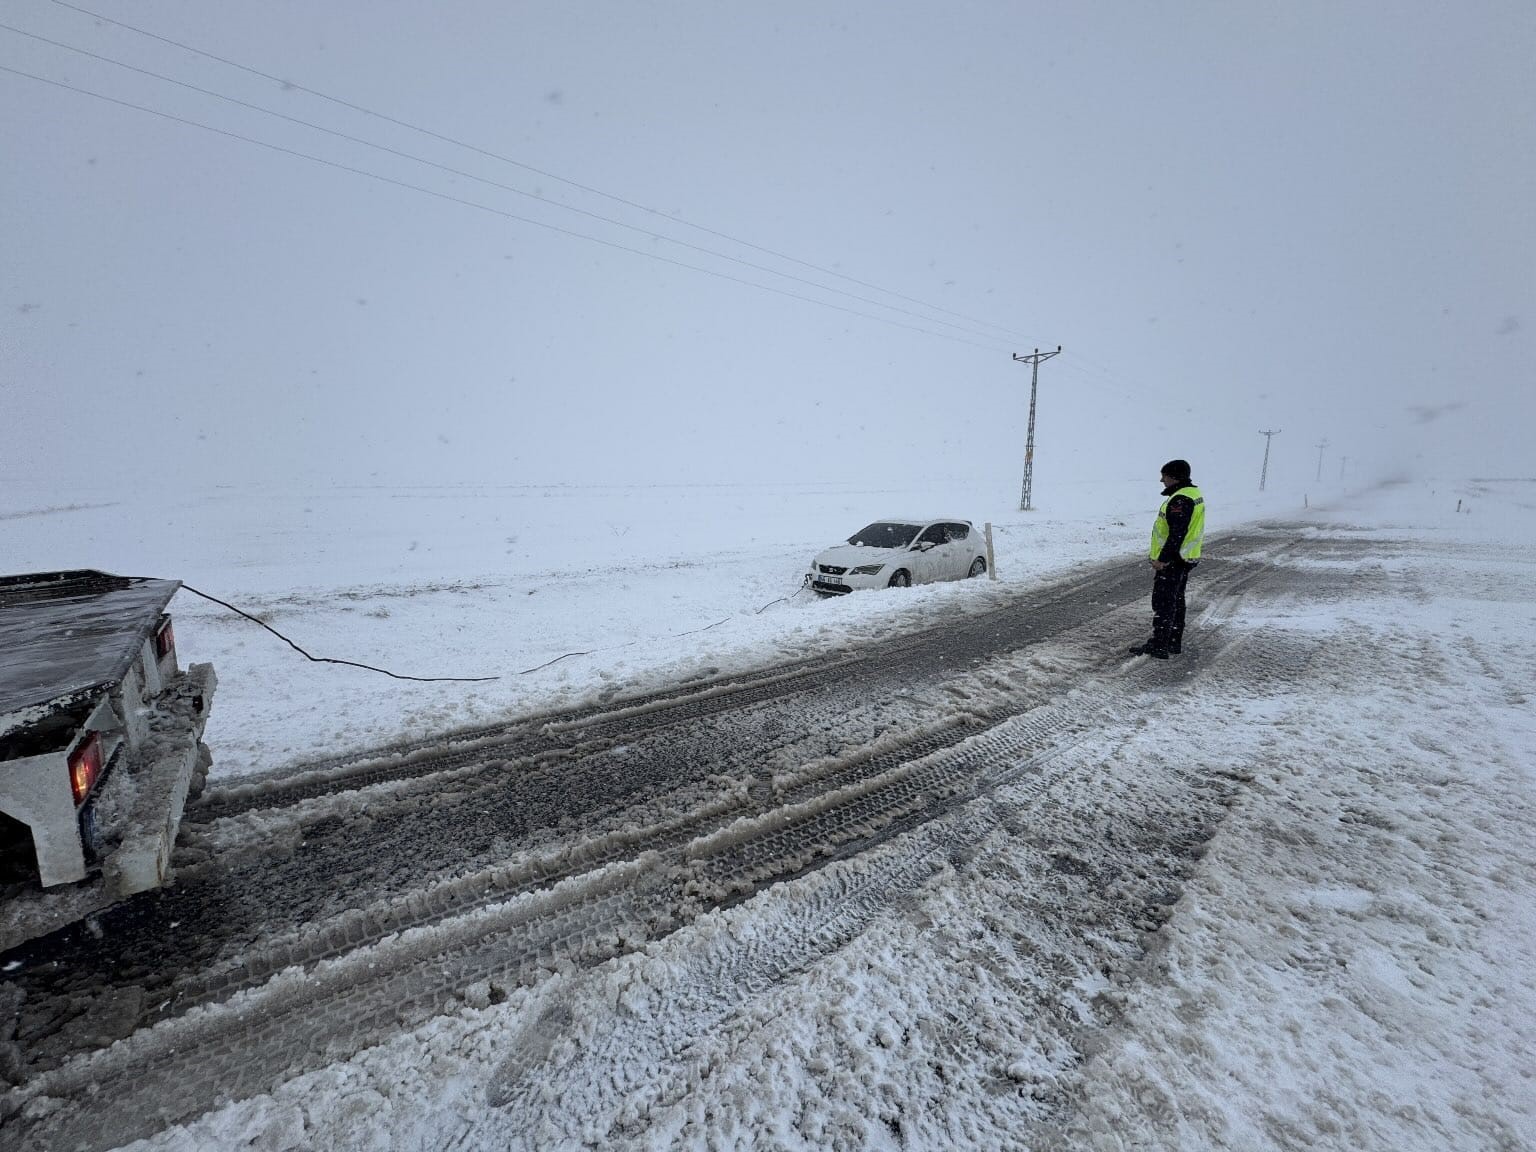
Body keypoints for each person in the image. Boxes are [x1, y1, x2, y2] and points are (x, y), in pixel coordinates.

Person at [1129, 459, 1205, 659]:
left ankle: (1160, 644)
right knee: (1176, 600)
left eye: (1165, 476)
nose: (1161, 480)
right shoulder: (1192, 494)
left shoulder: (1180, 500)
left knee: (1165, 602)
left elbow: (1176, 533)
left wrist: (1163, 559)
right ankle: (1172, 642)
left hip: (1174, 560)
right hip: (1184, 558)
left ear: (1175, 477)